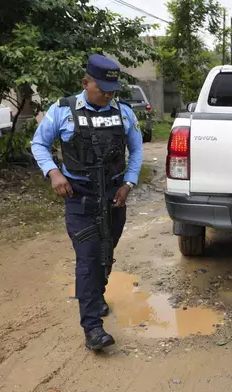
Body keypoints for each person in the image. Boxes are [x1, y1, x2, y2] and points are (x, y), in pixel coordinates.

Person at [30, 54, 143, 351]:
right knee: (89, 257)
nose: (107, 95)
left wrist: (129, 183)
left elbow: (137, 150)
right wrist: (53, 172)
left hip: (114, 196)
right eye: (102, 89)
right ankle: (92, 327)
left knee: (106, 251)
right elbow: (38, 144)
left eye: (111, 91)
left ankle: (96, 294)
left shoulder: (124, 113)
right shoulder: (62, 111)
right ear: (86, 83)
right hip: (80, 198)